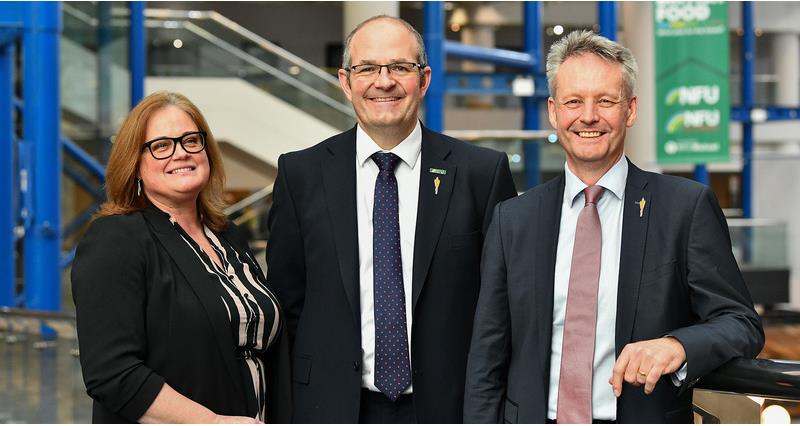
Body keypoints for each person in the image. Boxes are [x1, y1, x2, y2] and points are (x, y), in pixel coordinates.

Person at [463, 30, 764, 424]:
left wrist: (678, 345)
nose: (588, 116)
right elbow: (488, 358)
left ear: (631, 110)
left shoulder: (684, 209)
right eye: (574, 101)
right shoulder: (514, 219)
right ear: (554, 111)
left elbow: (742, 324)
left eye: (605, 101)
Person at [266, 15, 517, 423]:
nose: (384, 82)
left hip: (449, 409)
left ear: (424, 79)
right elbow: (287, 302)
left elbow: (501, 308)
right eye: (367, 69)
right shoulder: (301, 174)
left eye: (400, 67)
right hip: (332, 408)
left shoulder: (481, 174)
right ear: (346, 82)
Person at [71, 91, 291, 423]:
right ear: (135, 166)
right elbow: (112, 373)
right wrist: (212, 422)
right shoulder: (116, 240)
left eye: (191, 140)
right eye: (161, 146)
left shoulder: (227, 235)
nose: (181, 153)